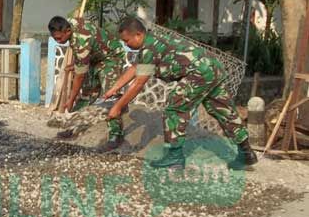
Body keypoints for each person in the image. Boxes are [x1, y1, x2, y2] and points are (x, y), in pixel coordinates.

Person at [103, 17, 258, 170]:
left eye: (127, 40)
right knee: (223, 110)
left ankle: (175, 157)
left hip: (198, 73)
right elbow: (135, 68)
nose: (125, 44)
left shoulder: (149, 48)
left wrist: (117, 107)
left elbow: (138, 84)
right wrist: (114, 89)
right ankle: (246, 152)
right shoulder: (153, 42)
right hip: (213, 68)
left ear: (138, 34)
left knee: (174, 109)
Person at [48, 15, 127, 150]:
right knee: (87, 94)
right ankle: (74, 126)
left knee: (110, 96)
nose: (58, 41)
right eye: (55, 38)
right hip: (94, 58)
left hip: (111, 57)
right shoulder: (70, 24)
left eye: (59, 38)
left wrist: (71, 99)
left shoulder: (81, 41)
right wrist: (77, 63)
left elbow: (79, 76)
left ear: (67, 31)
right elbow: (81, 57)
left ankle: (115, 134)